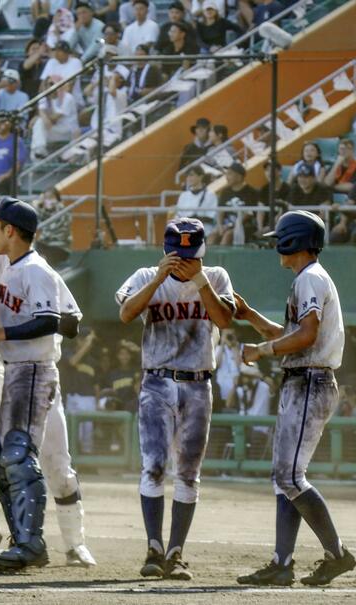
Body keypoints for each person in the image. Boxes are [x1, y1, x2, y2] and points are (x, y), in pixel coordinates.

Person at [236, 211, 356, 586]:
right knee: (284, 479)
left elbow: (304, 337)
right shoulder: (309, 279)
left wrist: (262, 350)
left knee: (289, 477)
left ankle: (336, 555)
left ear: (295, 241)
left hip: (311, 381)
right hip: (303, 379)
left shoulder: (311, 279)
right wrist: (250, 315)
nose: (276, 245)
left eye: (280, 239)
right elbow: (296, 335)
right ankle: (282, 562)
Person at [0, 199, 95, 569]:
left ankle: (34, 544)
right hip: (24, 372)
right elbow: (70, 320)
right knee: (15, 461)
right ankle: (26, 540)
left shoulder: (36, 270)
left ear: (10, 231)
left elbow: (51, 319)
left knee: (21, 456)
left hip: (33, 370)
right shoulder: (16, 267)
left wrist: (3, 330)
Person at [116, 218, 235, 580]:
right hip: (157, 381)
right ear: (165, 252)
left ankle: (176, 552)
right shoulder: (143, 276)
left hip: (198, 383)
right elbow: (125, 314)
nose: (183, 261)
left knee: (188, 473)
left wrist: (200, 281)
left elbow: (225, 320)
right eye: (177, 255)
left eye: (190, 255)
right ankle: (153, 548)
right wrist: (157, 278)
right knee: (153, 465)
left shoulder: (215, 277)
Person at [212, 162, 260, 245]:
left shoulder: (251, 192)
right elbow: (220, 211)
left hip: (244, 225)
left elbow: (248, 213)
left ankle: (224, 257)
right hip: (227, 224)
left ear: (239, 177)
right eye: (226, 174)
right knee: (212, 236)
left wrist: (233, 226)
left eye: (230, 174)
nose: (227, 177)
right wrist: (220, 226)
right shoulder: (225, 192)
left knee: (228, 235)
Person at [174, 165, 218, 234]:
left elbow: (211, 217)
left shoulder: (210, 195)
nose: (188, 178)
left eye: (191, 175)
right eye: (187, 176)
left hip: (204, 231)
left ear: (200, 176)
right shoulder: (183, 195)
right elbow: (178, 215)